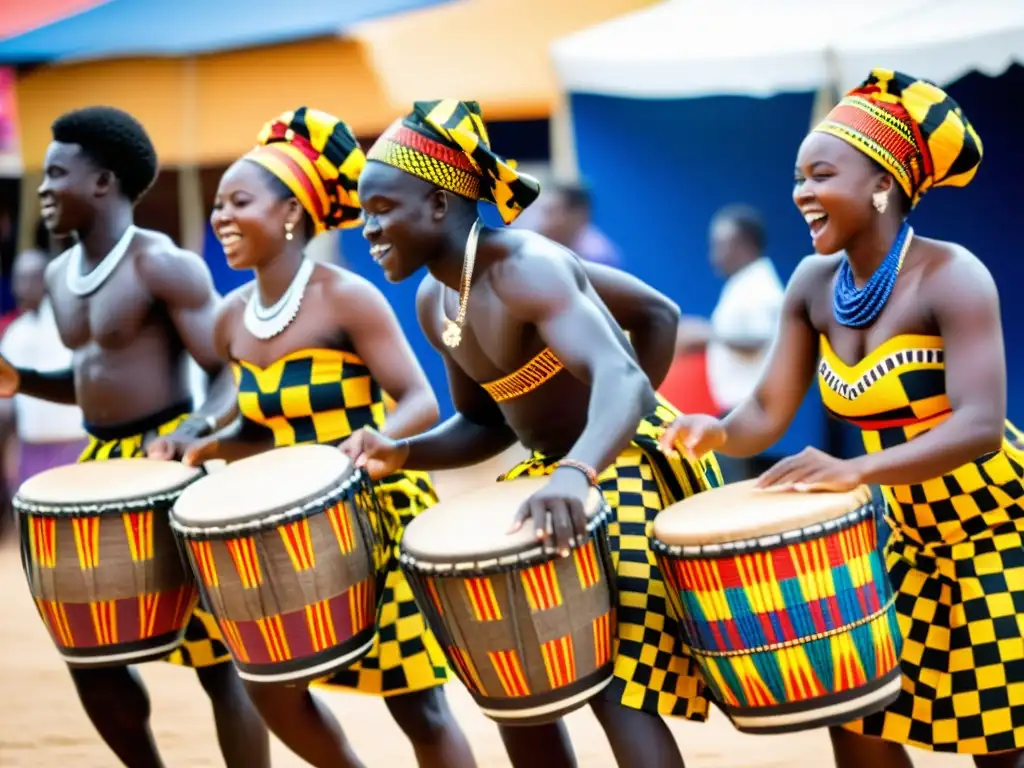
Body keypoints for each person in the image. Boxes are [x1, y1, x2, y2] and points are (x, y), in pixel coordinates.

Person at [338, 99, 722, 768]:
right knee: (514, 678)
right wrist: (402, 452)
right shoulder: (436, 300)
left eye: (381, 210)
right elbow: (486, 425)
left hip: (613, 465)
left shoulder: (525, 267)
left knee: (614, 685)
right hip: (555, 473)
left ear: (436, 203)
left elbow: (624, 380)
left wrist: (590, 458)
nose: (367, 228)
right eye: (363, 213)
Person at [661, 69, 1024, 768]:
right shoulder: (813, 284)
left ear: (882, 183)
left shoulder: (953, 275)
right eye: (797, 177)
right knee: (854, 714)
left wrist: (854, 469)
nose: (801, 193)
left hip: (994, 528)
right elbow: (767, 408)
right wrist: (718, 429)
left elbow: (981, 425)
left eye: (820, 174)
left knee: (997, 740)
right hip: (908, 537)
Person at [180, 107, 477, 768]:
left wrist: (380, 436)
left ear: (289, 213)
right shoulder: (230, 320)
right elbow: (260, 433)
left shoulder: (346, 297)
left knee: (419, 706)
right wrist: (206, 442)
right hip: (282, 531)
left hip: (373, 516)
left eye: (238, 202)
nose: (220, 217)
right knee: (269, 686)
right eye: (218, 204)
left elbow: (420, 400)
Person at [0, 106, 269, 767]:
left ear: (102, 182)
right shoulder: (61, 276)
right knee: (90, 654)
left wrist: (194, 431)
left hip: (171, 461)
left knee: (219, 660)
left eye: (56, 173)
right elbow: (90, 383)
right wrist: (20, 378)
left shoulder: (163, 264)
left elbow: (227, 373)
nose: (42, 188)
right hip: (98, 466)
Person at [677, 204, 785, 480]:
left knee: (738, 488)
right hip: (738, 405)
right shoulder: (743, 282)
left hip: (747, 406)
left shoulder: (759, 285)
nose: (715, 255)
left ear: (745, 244)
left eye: (722, 245)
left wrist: (706, 334)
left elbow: (760, 339)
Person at [0, 245, 86, 488]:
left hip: (76, 446)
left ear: (46, 279)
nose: (21, 286)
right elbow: (7, 406)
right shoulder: (14, 334)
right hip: (32, 451)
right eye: (18, 278)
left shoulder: (72, 325)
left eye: (29, 278)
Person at [525, 180, 622, 267]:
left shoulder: (596, 255)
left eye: (552, 211)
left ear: (577, 216)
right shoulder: (554, 245)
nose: (545, 221)